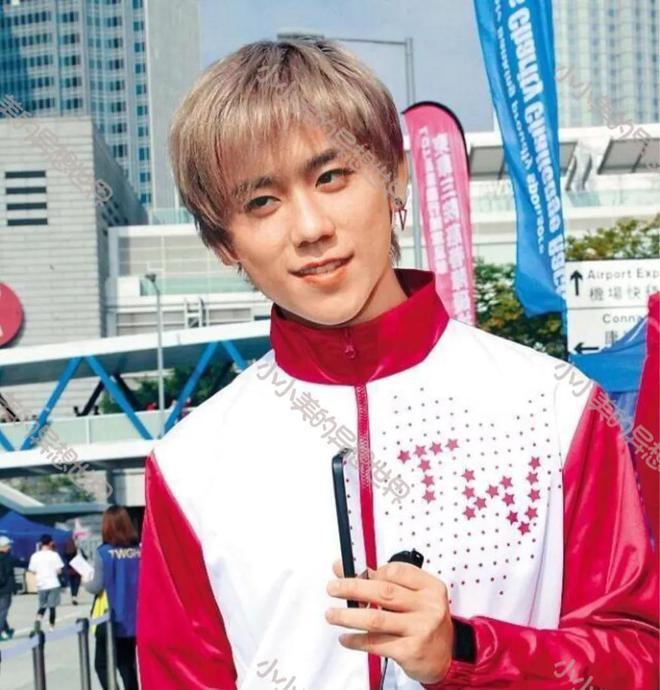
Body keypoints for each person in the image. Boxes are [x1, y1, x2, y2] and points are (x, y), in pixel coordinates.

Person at [136, 39, 659, 690]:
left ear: (395, 176)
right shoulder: (190, 465)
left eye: (332, 177)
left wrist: (465, 651)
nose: (310, 228)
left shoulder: (557, 407)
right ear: (224, 242)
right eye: (261, 202)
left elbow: (638, 658)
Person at [84, 506, 140, 690]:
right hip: (135, 617)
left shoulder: (103, 553)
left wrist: (85, 581)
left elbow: (96, 586)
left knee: (102, 665)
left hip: (111, 618)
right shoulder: (139, 550)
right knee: (127, 664)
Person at [28, 534, 64, 631]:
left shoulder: (35, 556)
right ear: (51, 543)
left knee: (43, 605)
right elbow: (59, 571)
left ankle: (38, 619)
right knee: (52, 607)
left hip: (41, 583)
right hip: (53, 583)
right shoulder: (54, 555)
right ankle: (51, 627)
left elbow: (32, 570)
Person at [0, 535, 15, 641]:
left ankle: (6, 629)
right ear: (3, 546)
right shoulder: (7, 558)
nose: (10, 547)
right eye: (8, 545)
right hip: (5, 589)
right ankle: (1, 631)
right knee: (3, 611)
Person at [63, 536, 86, 606]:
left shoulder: (67, 550)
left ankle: (73, 596)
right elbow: (85, 557)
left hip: (70, 569)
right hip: (78, 569)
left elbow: (64, 557)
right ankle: (75, 597)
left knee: (72, 584)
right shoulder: (78, 550)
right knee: (76, 584)